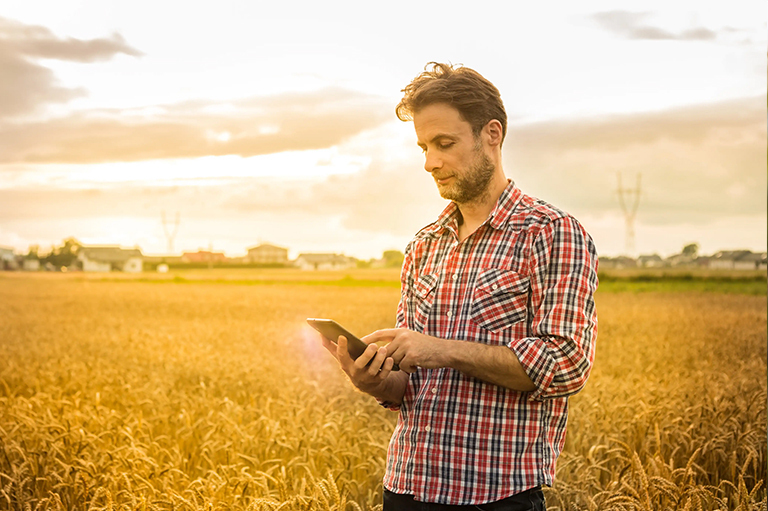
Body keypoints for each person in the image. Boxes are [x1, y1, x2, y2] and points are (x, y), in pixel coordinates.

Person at [320, 62, 598, 510]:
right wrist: (373, 380)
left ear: (492, 134)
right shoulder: (424, 245)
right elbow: (407, 385)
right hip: (407, 488)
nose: (431, 162)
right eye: (424, 147)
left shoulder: (551, 233)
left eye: (444, 144)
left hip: (498, 496)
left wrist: (440, 348)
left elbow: (566, 364)